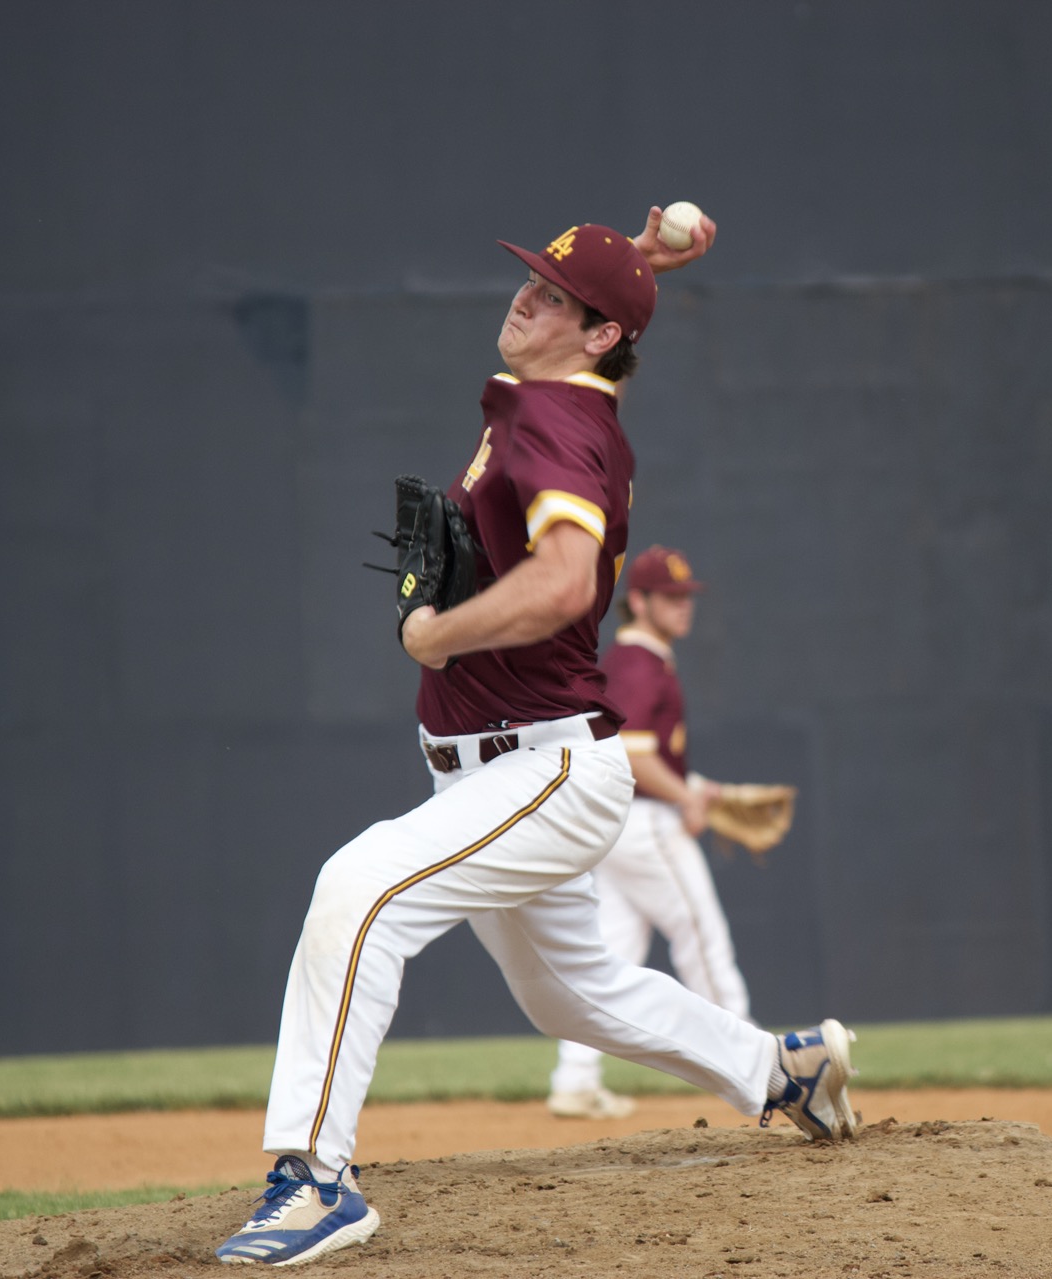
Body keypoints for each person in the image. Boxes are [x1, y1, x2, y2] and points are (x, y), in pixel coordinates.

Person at [215, 209, 861, 1268]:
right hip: (506, 759)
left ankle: (313, 1182)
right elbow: (594, 338)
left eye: (555, 296)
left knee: (358, 888)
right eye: (534, 281)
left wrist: (435, 635)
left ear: (597, 336)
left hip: (545, 764)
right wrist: (631, 269)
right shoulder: (567, 392)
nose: (525, 297)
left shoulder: (561, 425)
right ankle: (781, 1070)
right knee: (572, 993)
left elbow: (564, 583)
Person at [546, 544, 756, 1120]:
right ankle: (761, 1071)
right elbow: (635, 756)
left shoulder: (632, 659)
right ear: (637, 601)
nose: (683, 607)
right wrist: (687, 795)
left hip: (616, 826)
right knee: (703, 938)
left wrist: (695, 785)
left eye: (686, 597)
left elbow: (638, 752)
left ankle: (575, 1078)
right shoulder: (639, 663)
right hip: (645, 824)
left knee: (609, 952)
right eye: (670, 597)